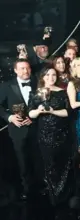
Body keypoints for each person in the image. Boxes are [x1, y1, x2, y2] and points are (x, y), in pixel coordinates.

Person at [28, 66, 74, 208]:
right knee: (50, 165)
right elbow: (30, 114)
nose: (51, 77)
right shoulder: (36, 93)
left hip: (62, 134)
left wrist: (53, 111)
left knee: (64, 163)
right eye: (48, 75)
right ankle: (54, 197)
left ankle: (65, 196)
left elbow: (68, 112)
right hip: (45, 134)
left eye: (54, 75)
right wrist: (38, 111)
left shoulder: (62, 92)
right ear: (43, 77)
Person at [0, 59, 37, 200]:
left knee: (37, 158)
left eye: (27, 68)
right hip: (17, 129)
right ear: (15, 70)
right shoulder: (7, 86)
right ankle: (27, 189)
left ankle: (42, 186)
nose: (25, 71)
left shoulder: (37, 83)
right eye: (22, 68)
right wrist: (10, 117)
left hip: (37, 127)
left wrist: (34, 117)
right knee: (22, 160)